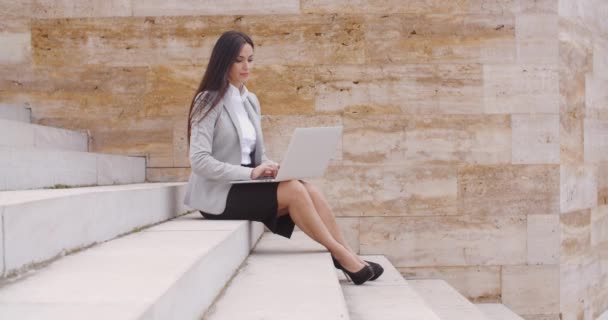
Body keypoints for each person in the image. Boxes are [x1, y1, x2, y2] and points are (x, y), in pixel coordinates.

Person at [184, 31, 383, 285]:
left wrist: (271, 167)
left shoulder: (250, 100)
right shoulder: (207, 101)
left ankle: (348, 254)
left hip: (245, 183)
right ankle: (341, 256)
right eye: (239, 60)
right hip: (219, 192)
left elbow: (256, 153)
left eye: (251, 59)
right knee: (293, 191)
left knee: (306, 188)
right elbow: (199, 161)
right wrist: (251, 173)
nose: (247, 66)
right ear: (223, 61)